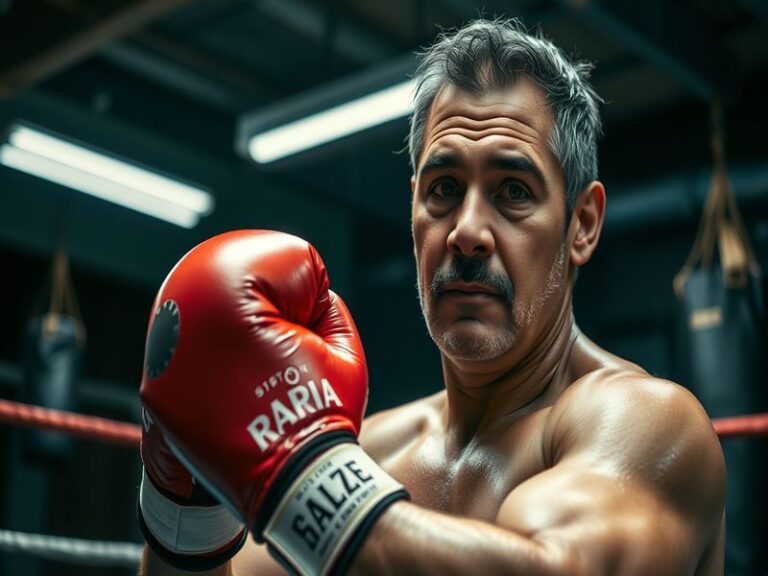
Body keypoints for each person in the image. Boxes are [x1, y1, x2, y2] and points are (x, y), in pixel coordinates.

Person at [137, 19, 725, 576]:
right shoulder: (364, 452)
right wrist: (182, 505)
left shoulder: (648, 426)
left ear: (582, 224)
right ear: (413, 207)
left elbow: (562, 568)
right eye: (444, 188)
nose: (467, 230)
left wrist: (300, 477)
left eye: (513, 191)